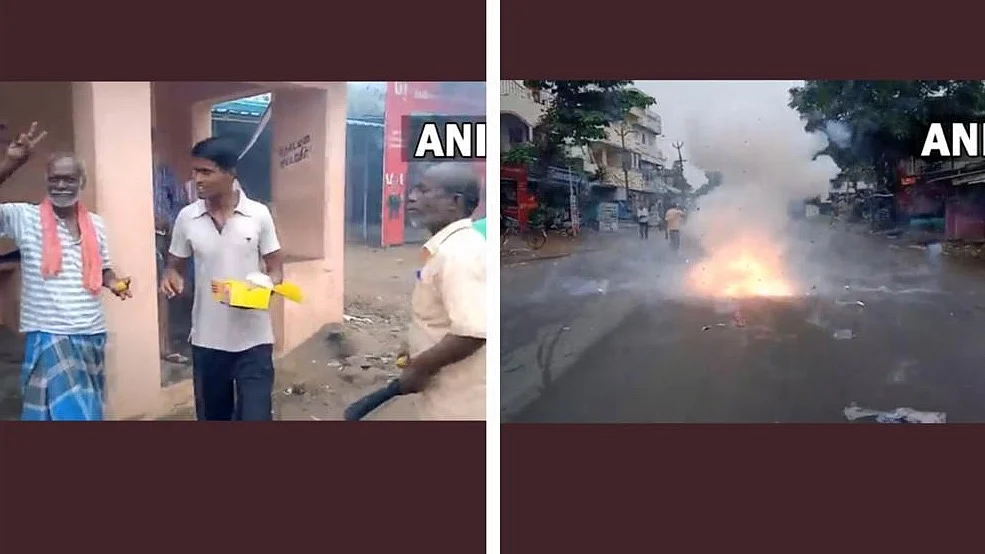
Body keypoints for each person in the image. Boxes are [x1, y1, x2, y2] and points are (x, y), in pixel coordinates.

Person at [0, 138, 132, 420]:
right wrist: (12, 162)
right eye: (55, 179)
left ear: (81, 182)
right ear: (46, 181)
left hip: (91, 334)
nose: (61, 186)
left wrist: (115, 282)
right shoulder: (25, 217)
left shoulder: (95, 223)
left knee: (86, 411)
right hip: (50, 334)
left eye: (69, 179)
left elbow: (103, 268)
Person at [160, 137, 284, 421]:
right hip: (207, 341)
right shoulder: (186, 218)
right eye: (195, 172)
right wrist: (171, 277)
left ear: (230, 173)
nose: (196, 180)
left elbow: (276, 268)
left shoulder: (258, 215)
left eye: (206, 172)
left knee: (256, 417)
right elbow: (174, 265)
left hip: (254, 341)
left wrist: (264, 287)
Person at [398, 162, 486, 420]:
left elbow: (473, 332)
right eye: (414, 189)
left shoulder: (459, 254)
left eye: (424, 191)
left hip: (460, 406)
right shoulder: (448, 248)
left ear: (454, 202)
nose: (412, 197)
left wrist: (419, 368)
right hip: (448, 395)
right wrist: (412, 347)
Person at [151, 133, 189, 365]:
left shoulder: (164, 172)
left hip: (163, 238)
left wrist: (166, 222)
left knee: (163, 292)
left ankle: (165, 346)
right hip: (135, 239)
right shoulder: (128, 174)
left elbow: (180, 205)